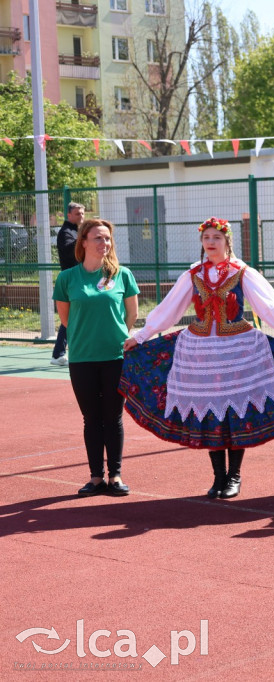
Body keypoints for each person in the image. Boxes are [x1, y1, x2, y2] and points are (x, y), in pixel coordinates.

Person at [121, 218, 274, 499]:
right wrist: (141, 336)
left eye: (217, 238)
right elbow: (169, 309)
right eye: (207, 237)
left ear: (227, 242)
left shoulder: (242, 272)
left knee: (236, 411)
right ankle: (218, 477)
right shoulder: (193, 274)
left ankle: (234, 476)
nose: (211, 242)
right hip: (200, 351)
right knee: (209, 409)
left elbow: (269, 305)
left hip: (238, 349)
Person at [53, 219, 139, 496]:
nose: (105, 243)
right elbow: (65, 319)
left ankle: (115, 476)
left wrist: (115, 336)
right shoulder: (67, 278)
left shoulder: (122, 275)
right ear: (84, 242)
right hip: (82, 358)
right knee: (91, 418)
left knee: (113, 417)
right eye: (98, 238)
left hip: (115, 356)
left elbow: (132, 316)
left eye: (108, 238)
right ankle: (95, 478)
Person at [51, 202, 86, 366]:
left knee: (74, 317)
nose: (81, 216)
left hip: (80, 279)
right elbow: (70, 253)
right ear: (69, 215)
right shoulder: (66, 232)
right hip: (71, 281)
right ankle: (59, 353)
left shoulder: (76, 231)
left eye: (83, 213)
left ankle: (59, 353)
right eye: (78, 214)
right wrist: (85, 237)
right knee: (71, 318)